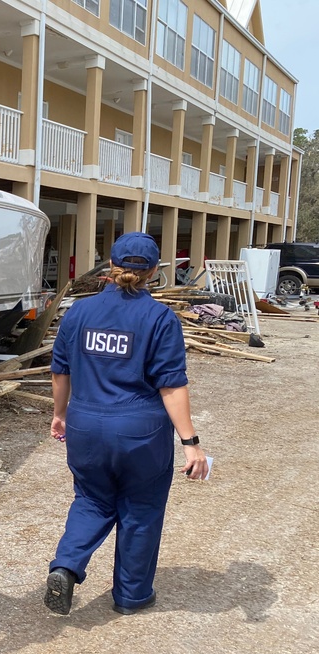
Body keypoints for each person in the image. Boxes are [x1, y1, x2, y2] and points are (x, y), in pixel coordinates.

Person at [44, 232, 209, 617]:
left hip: (86, 425)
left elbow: (59, 371)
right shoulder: (159, 318)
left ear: (110, 266)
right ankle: (131, 596)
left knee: (91, 499)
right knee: (141, 508)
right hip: (140, 431)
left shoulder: (80, 313)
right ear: (152, 271)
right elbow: (171, 384)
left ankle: (66, 566)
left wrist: (59, 413)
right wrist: (191, 441)